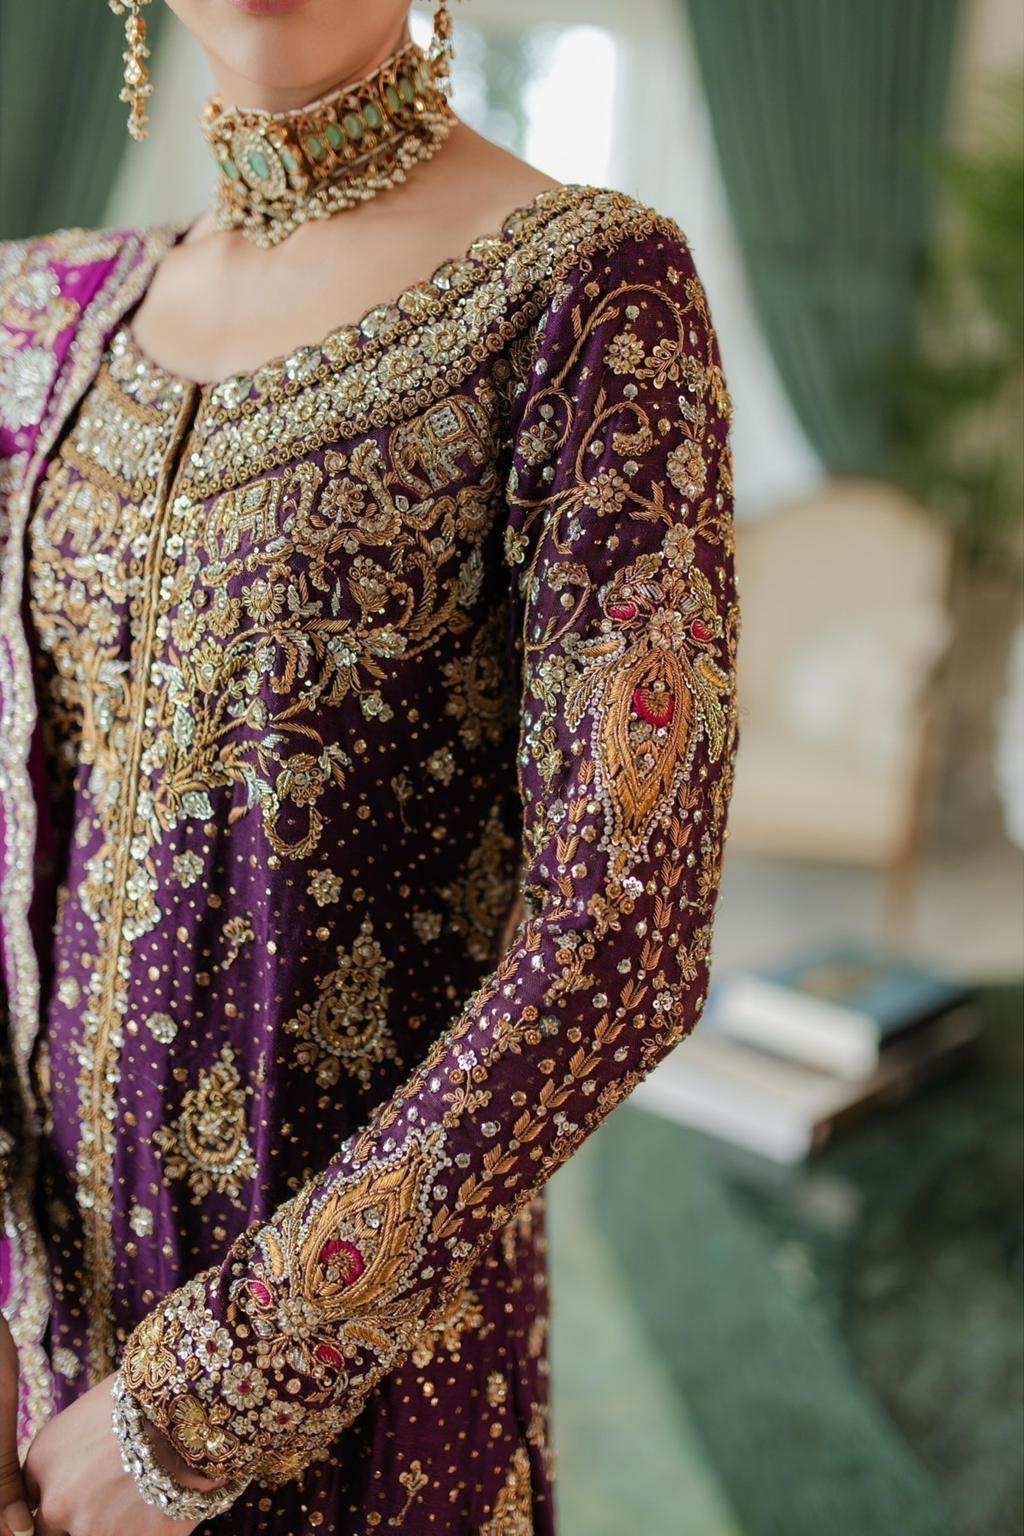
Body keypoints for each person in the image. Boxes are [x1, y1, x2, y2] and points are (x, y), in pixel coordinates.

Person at [0, 0, 739, 1531]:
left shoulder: (587, 292)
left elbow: (625, 936)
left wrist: (202, 1399)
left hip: (365, 1388)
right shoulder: (38, 316)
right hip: (34, 1342)